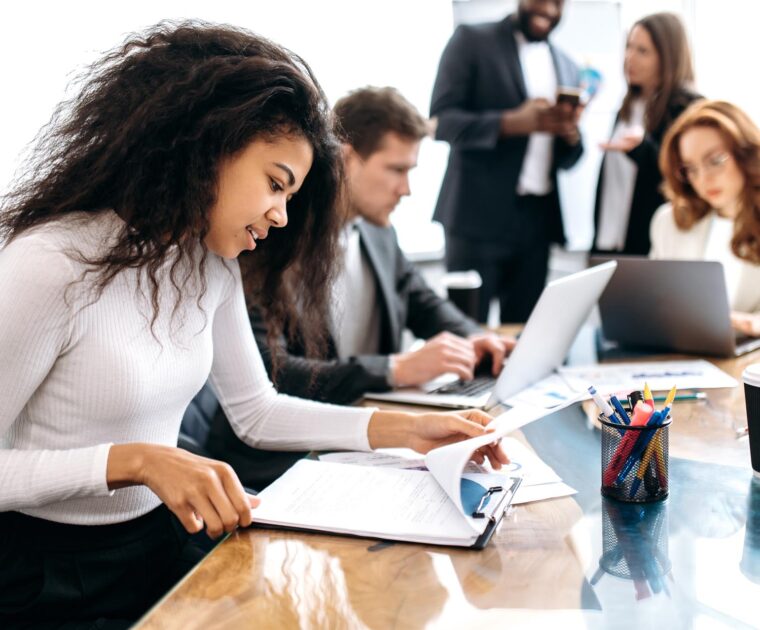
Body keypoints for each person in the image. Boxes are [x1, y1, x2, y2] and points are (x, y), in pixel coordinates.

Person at [0, 22, 507, 628]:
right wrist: (131, 461)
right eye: (274, 184)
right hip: (48, 577)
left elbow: (257, 412)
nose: (281, 213)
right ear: (205, 146)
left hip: (162, 545)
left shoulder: (207, 260)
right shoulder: (49, 263)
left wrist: (404, 429)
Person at [204, 86, 514, 489]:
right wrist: (393, 369)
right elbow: (275, 373)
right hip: (273, 468)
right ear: (346, 159)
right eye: (397, 170)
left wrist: (478, 339)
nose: (406, 190)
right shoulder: (264, 237)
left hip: (360, 440)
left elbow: (423, 302)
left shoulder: (379, 234)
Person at [430, 0, 583, 323]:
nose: (550, 9)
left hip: (537, 225)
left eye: (559, 3)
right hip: (476, 218)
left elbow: (568, 160)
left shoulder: (568, 66)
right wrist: (512, 122)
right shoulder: (471, 40)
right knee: (468, 333)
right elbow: (441, 122)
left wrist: (570, 135)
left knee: (527, 336)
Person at [594, 12, 701, 255]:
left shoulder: (686, 108)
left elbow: (685, 177)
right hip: (610, 240)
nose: (629, 57)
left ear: (668, 57)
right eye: (629, 47)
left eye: (642, 51)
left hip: (652, 245)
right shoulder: (629, 106)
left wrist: (641, 149)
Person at [653, 100, 760, 337]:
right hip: (684, 357)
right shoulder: (668, 222)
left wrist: (754, 324)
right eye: (690, 168)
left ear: (746, 153)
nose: (703, 178)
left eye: (715, 161)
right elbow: (655, 304)